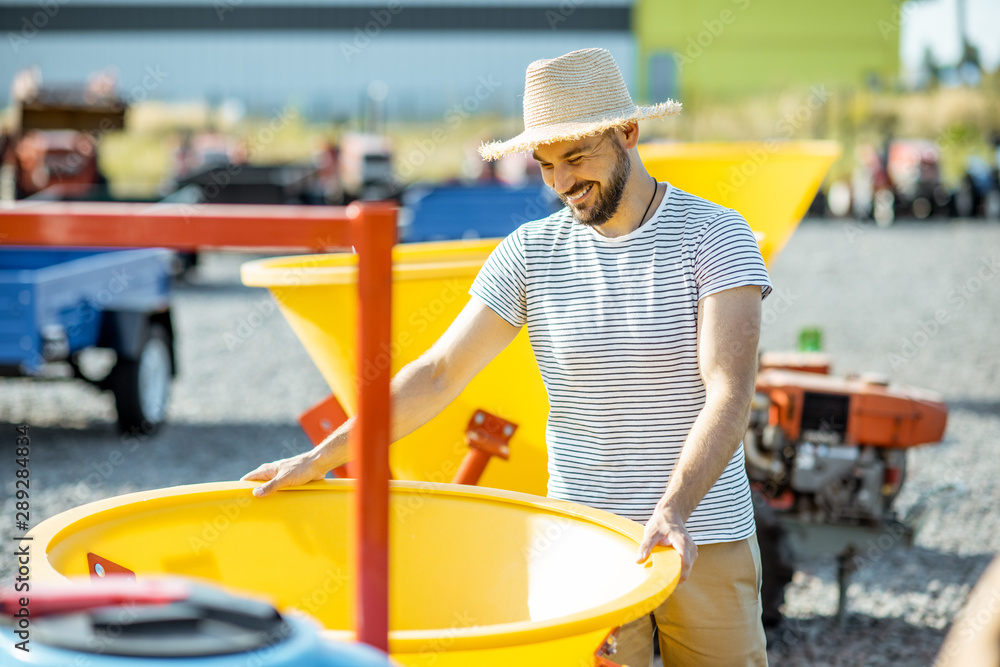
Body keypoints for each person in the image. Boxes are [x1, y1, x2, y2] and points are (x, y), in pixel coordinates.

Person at [242, 48, 770, 665]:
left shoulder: (715, 235)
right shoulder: (531, 252)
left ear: (628, 133)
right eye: (545, 164)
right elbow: (438, 375)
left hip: (705, 535)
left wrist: (674, 509)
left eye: (576, 157)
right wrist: (323, 455)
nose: (561, 182)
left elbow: (728, 391)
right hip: (585, 541)